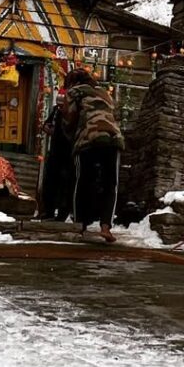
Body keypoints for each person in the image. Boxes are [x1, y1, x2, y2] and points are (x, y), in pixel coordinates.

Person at [60, 68, 124, 243]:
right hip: (113, 139)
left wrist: (70, 137)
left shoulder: (74, 92)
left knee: (82, 181)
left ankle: (79, 225)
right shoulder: (104, 93)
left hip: (88, 138)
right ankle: (106, 227)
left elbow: (69, 119)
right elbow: (113, 115)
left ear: (72, 82)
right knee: (111, 183)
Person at [38, 105, 73, 221]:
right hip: (55, 150)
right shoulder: (57, 111)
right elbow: (46, 125)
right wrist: (49, 129)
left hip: (69, 152)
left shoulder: (76, 110)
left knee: (65, 184)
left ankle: (62, 214)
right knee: (50, 181)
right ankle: (48, 211)